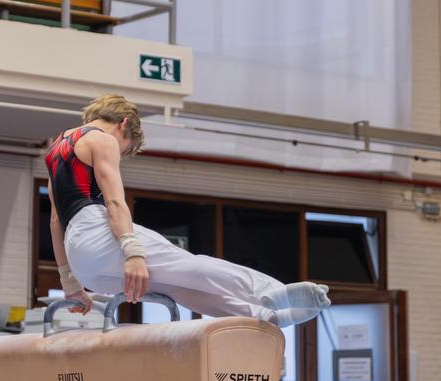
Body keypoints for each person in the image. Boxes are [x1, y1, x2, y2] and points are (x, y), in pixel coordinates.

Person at [45, 94, 331, 327]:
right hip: (99, 234)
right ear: (123, 125)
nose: (119, 153)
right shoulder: (102, 139)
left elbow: (56, 220)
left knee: (175, 286)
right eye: (124, 149)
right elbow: (115, 202)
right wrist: (131, 251)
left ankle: (263, 317)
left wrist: (70, 282)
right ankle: (268, 291)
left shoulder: (55, 148)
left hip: (84, 264)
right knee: (189, 265)